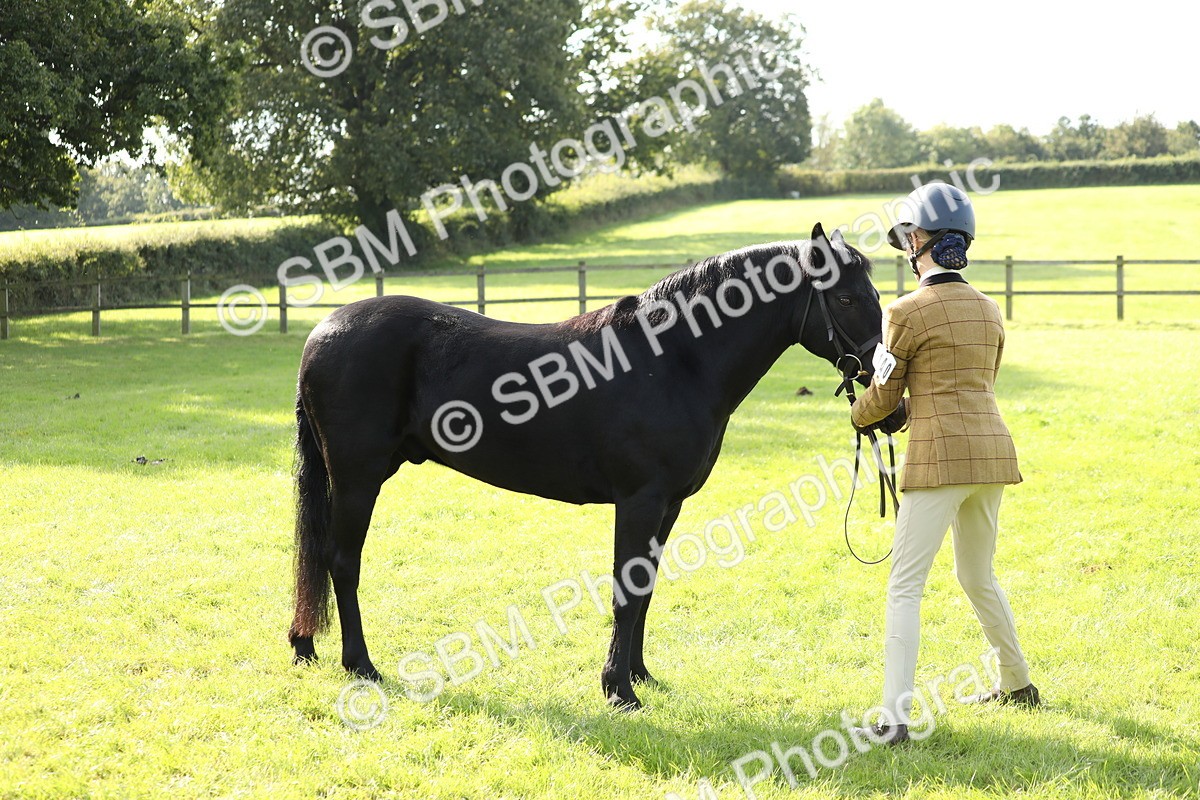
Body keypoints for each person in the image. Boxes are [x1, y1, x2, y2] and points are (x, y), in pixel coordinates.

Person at [849, 183, 1039, 745]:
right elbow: (974, 384)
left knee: (905, 587)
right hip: (992, 454)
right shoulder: (988, 308)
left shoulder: (904, 311)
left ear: (918, 241)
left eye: (908, 238)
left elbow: (884, 397)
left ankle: (894, 720)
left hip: (939, 462)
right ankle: (1017, 683)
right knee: (977, 575)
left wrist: (861, 415)